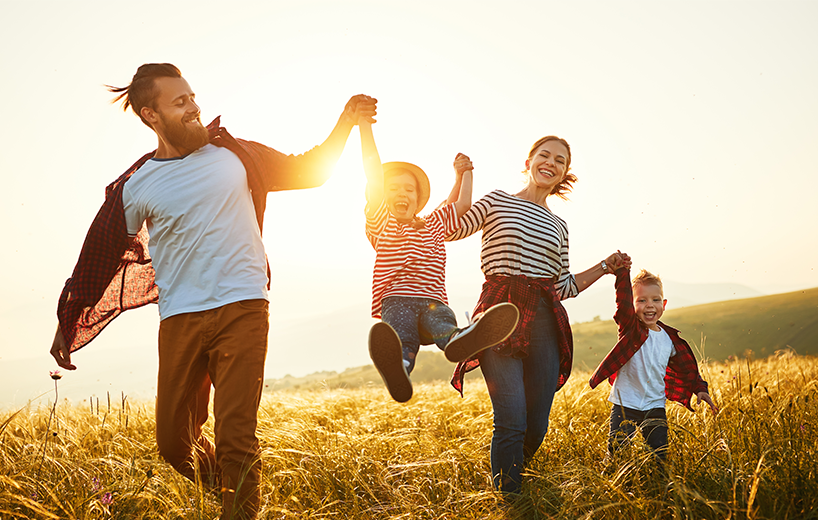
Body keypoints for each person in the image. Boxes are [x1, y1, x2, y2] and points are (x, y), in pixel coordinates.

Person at [49, 63, 376, 520]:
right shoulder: (138, 184)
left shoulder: (236, 154)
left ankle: (239, 506)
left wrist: (345, 120)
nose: (194, 107)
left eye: (192, 97)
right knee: (172, 443)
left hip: (242, 307)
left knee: (236, 435)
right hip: (180, 317)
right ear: (151, 115)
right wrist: (69, 320)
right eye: (179, 102)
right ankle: (232, 491)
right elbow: (100, 256)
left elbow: (310, 171)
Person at [447, 136, 629, 496]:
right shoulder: (497, 201)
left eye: (559, 161)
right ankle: (510, 499)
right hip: (500, 315)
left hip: (545, 319)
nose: (551, 163)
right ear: (529, 160)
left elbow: (563, 286)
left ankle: (515, 473)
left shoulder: (559, 226)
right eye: (544, 155)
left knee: (536, 425)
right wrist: (461, 177)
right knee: (511, 418)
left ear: (564, 173)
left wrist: (606, 266)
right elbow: (453, 228)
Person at [359, 119, 519, 403]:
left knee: (443, 324)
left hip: (434, 301)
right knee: (401, 339)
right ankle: (400, 371)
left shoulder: (434, 224)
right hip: (397, 300)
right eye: (393, 189)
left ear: (418, 198)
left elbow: (461, 205)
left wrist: (465, 173)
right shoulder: (382, 223)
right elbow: (372, 174)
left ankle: (461, 341)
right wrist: (364, 127)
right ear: (381, 198)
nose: (402, 193)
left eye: (409, 190)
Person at [589, 267, 719, 461]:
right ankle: (612, 483)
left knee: (659, 456)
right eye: (641, 300)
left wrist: (700, 388)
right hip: (625, 403)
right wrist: (622, 272)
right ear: (632, 305)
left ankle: (659, 487)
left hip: (655, 405)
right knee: (617, 454)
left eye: (655, 300)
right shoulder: (630, 329)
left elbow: (687, 369)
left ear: (664, 304)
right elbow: (622, 301)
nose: (649, 305)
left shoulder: (670, 339)